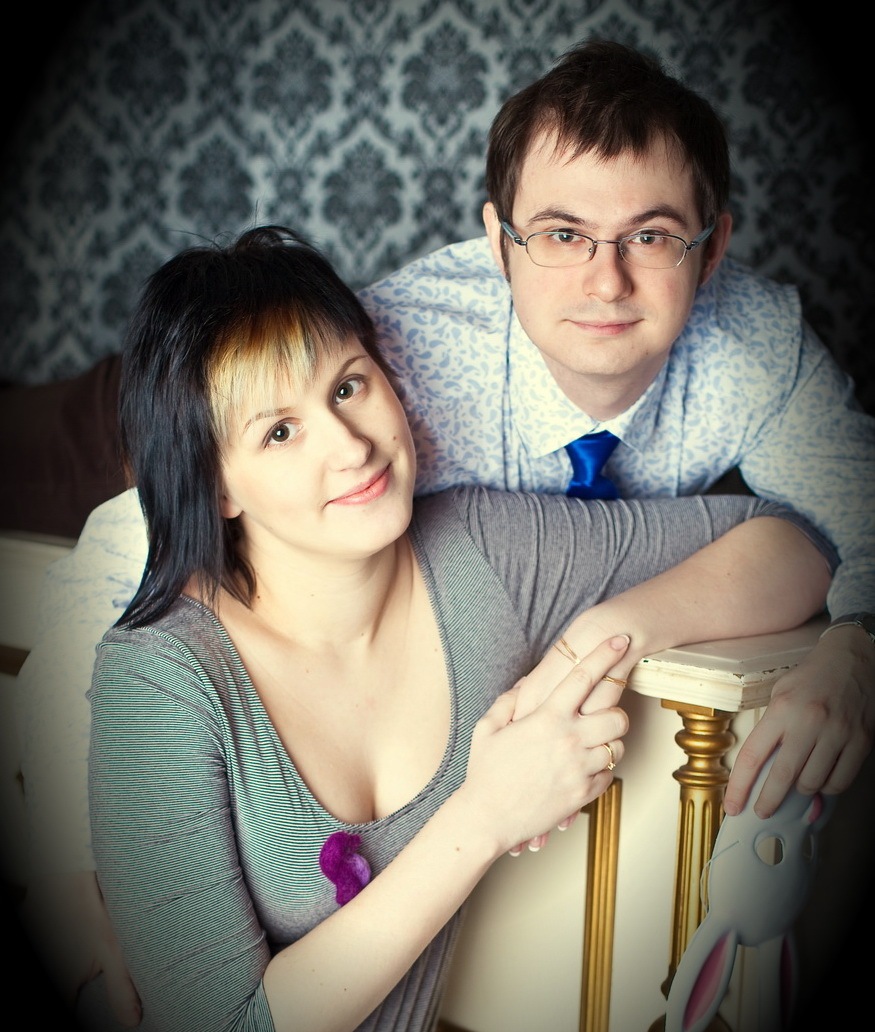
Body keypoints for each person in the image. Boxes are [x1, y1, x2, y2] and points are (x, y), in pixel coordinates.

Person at [11, 36, 873, 1024]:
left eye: (648, 236)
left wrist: (837, 646)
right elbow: (127, 570)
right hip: (160, 421)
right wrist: (68, 876)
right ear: (498, 242)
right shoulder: (398, 354)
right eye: (560, 234)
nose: (604, 282)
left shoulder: (755, 346)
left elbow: (830, 525)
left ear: (709, 248)